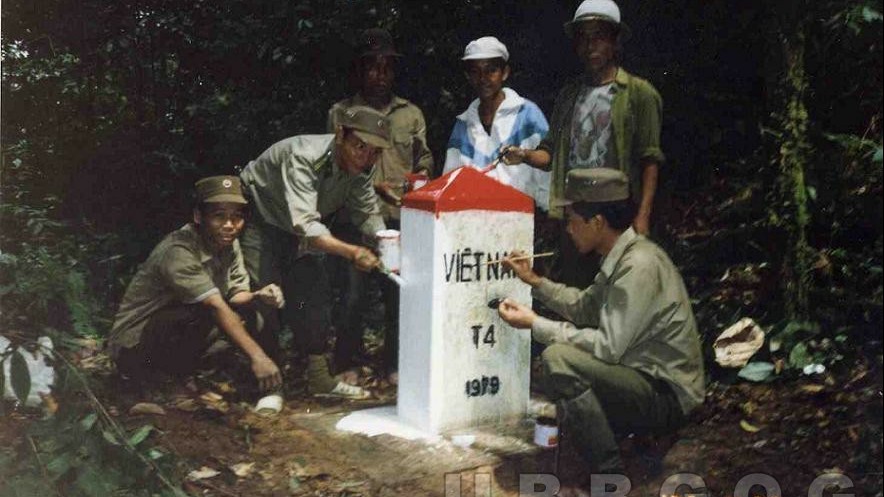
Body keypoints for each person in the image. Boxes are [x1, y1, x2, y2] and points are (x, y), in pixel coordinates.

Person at [496, 168, 704, 489]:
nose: (568, 229)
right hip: (645, 378)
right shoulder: (623, 255)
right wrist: (534, 282)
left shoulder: (638, 266)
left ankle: (609, 478)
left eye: (572, 220)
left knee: (559, 360)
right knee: (565, 360)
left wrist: (535, 324)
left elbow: (607, 347)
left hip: (668, 396)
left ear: (597, 222)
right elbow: (585, 307)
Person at [502, 0, 665, 287]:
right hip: (576, 217)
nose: (591, 46)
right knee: (578, 296)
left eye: (599, 36)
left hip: (617, 217)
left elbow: (650, 159)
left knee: (620, 296)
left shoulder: (639, 94)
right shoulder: (569, 96)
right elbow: (549, 153)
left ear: (615, 42)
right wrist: (523, 155)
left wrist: (643, 217)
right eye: (584, 38)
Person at [239, 106, 390, 399]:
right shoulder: (304, 156)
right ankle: (268, 386)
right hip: (261, 217)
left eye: (375, 152)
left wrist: (389, 245)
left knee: (314, 294)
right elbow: (306, 225)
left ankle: (319, 378)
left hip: (297, 226)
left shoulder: (358, 171)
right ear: (340, 136)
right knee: (265, 296)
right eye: (360, 146)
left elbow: (368, 214)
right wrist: (354, 252)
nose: (366, 157)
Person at [108, 176, 284, 393]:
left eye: (237, 217)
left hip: (179, 329)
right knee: (203, 312)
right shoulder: (178, 250)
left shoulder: (228, 243)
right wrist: (259, 357)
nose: (230, 225)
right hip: (134, 344)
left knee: (250, 314)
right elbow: (215, 305)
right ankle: (153, 378)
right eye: (219, 216)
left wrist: (259, 295)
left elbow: (236, 294)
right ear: (198, 216)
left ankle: (184, 373)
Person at [327, 28, 434, 383]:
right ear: (360, 70)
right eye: (372, 67)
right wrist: (375, 186)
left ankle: (396, 363)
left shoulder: (411, 113)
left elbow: (425, 161)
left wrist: (415, 183)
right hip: (353, 219)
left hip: (399, 219)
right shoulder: (341, 112)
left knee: (399, 296)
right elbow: (336, 166)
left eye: (387, 67)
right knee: (352, 296)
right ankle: (347, 363)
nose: (380, 74)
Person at [442, 36, 550, 211]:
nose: (483, 78)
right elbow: (450, 180)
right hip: (475, 221)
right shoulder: (463, 124)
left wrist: (548, 213)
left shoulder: (528, 115)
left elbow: (548, 170)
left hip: (522, 218)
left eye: (490, 70)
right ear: (468, 76)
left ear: (504, 73)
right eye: (475, 72)